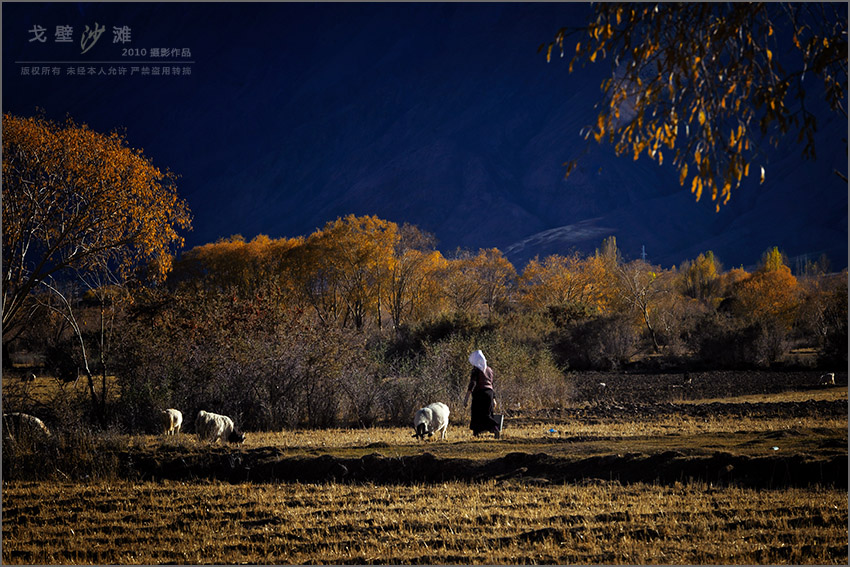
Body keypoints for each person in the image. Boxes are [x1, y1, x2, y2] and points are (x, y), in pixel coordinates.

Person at [463, 350, 501, 439]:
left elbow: (473, 383)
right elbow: (491, 384)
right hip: (489, 394)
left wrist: (466, 397)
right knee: (487, 413)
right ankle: (492, 429)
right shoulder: (489, 370)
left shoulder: (476, 370)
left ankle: (494, 428)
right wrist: (494, 398)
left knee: (477, 413)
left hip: (480, 394)